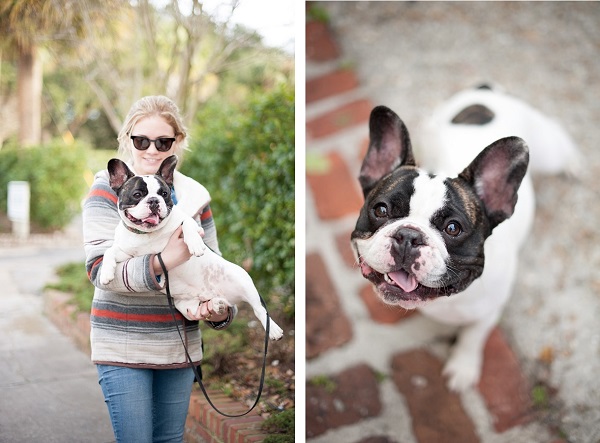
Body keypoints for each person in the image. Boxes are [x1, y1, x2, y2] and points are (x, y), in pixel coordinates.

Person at [82, 95, 236, 442]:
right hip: (121, 344)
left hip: (177, 345)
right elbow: (97, 270)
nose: (151, 150)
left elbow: (215, 267)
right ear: (128, 139)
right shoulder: (107, 190)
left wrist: (219, 311)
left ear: (177, 142)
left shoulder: (195, 197)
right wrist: (166, 260)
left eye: (163, 141)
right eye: (141, 141)